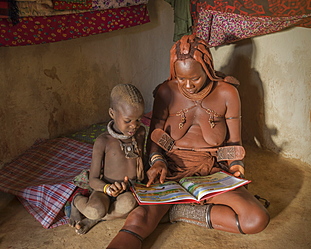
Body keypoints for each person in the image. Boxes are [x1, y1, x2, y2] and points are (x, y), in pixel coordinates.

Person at [107, 34, 270, 249]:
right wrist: (157, 161)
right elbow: (156, 135)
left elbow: (233, 142)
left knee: (256, 218)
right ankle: (173, 205)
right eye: (181, 78)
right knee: (139, 219)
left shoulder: (227, 93)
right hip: (170, 168)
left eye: (195, 78)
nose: (188, 85)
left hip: (212, 169)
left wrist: (236, 167)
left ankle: (179, 210)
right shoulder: (166, 91)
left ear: (207, 69)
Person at [69, 83, 146, 234]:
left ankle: (95, 219)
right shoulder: (103, 141)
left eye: (138, 119)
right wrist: (108, 189)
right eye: (128, 120)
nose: (134, 125)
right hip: (104, 189)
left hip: (128, 190)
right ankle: (77, 202)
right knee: (96, 210)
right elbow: (93, 179)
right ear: (112, 113)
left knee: (130, 203)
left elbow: (142, 161)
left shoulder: (141, 133)